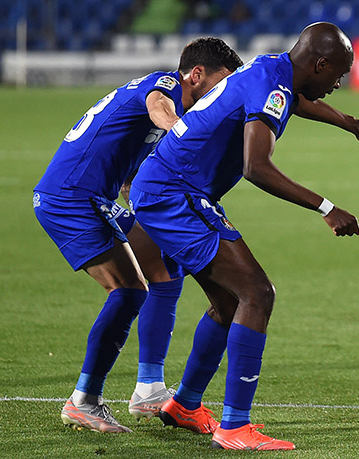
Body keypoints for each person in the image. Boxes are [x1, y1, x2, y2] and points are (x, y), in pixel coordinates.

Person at [128, 22, 359, 450]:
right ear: (320, 64)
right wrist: (327, 208)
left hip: (171, 188)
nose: (338, 84)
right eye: (339, 74)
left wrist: (350, 123)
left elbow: (296, 100)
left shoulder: (273, 68)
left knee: (228, 301)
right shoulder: (274, 83)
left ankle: (184, 404)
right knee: (257, 294)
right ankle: (235, 428)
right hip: (173, 193)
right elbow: (255, 166)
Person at [33, 37, 243, 433]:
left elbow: (130, 173)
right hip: (70, 197)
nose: (223, 93)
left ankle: (149, 388)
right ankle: (84, 400)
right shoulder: (166, 85)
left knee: (166, 267)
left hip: (91, 196)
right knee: (130, 290)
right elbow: (158, 106)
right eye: (221, 83)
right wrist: (182, 132)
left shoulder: (161, 104)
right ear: (196, 75)